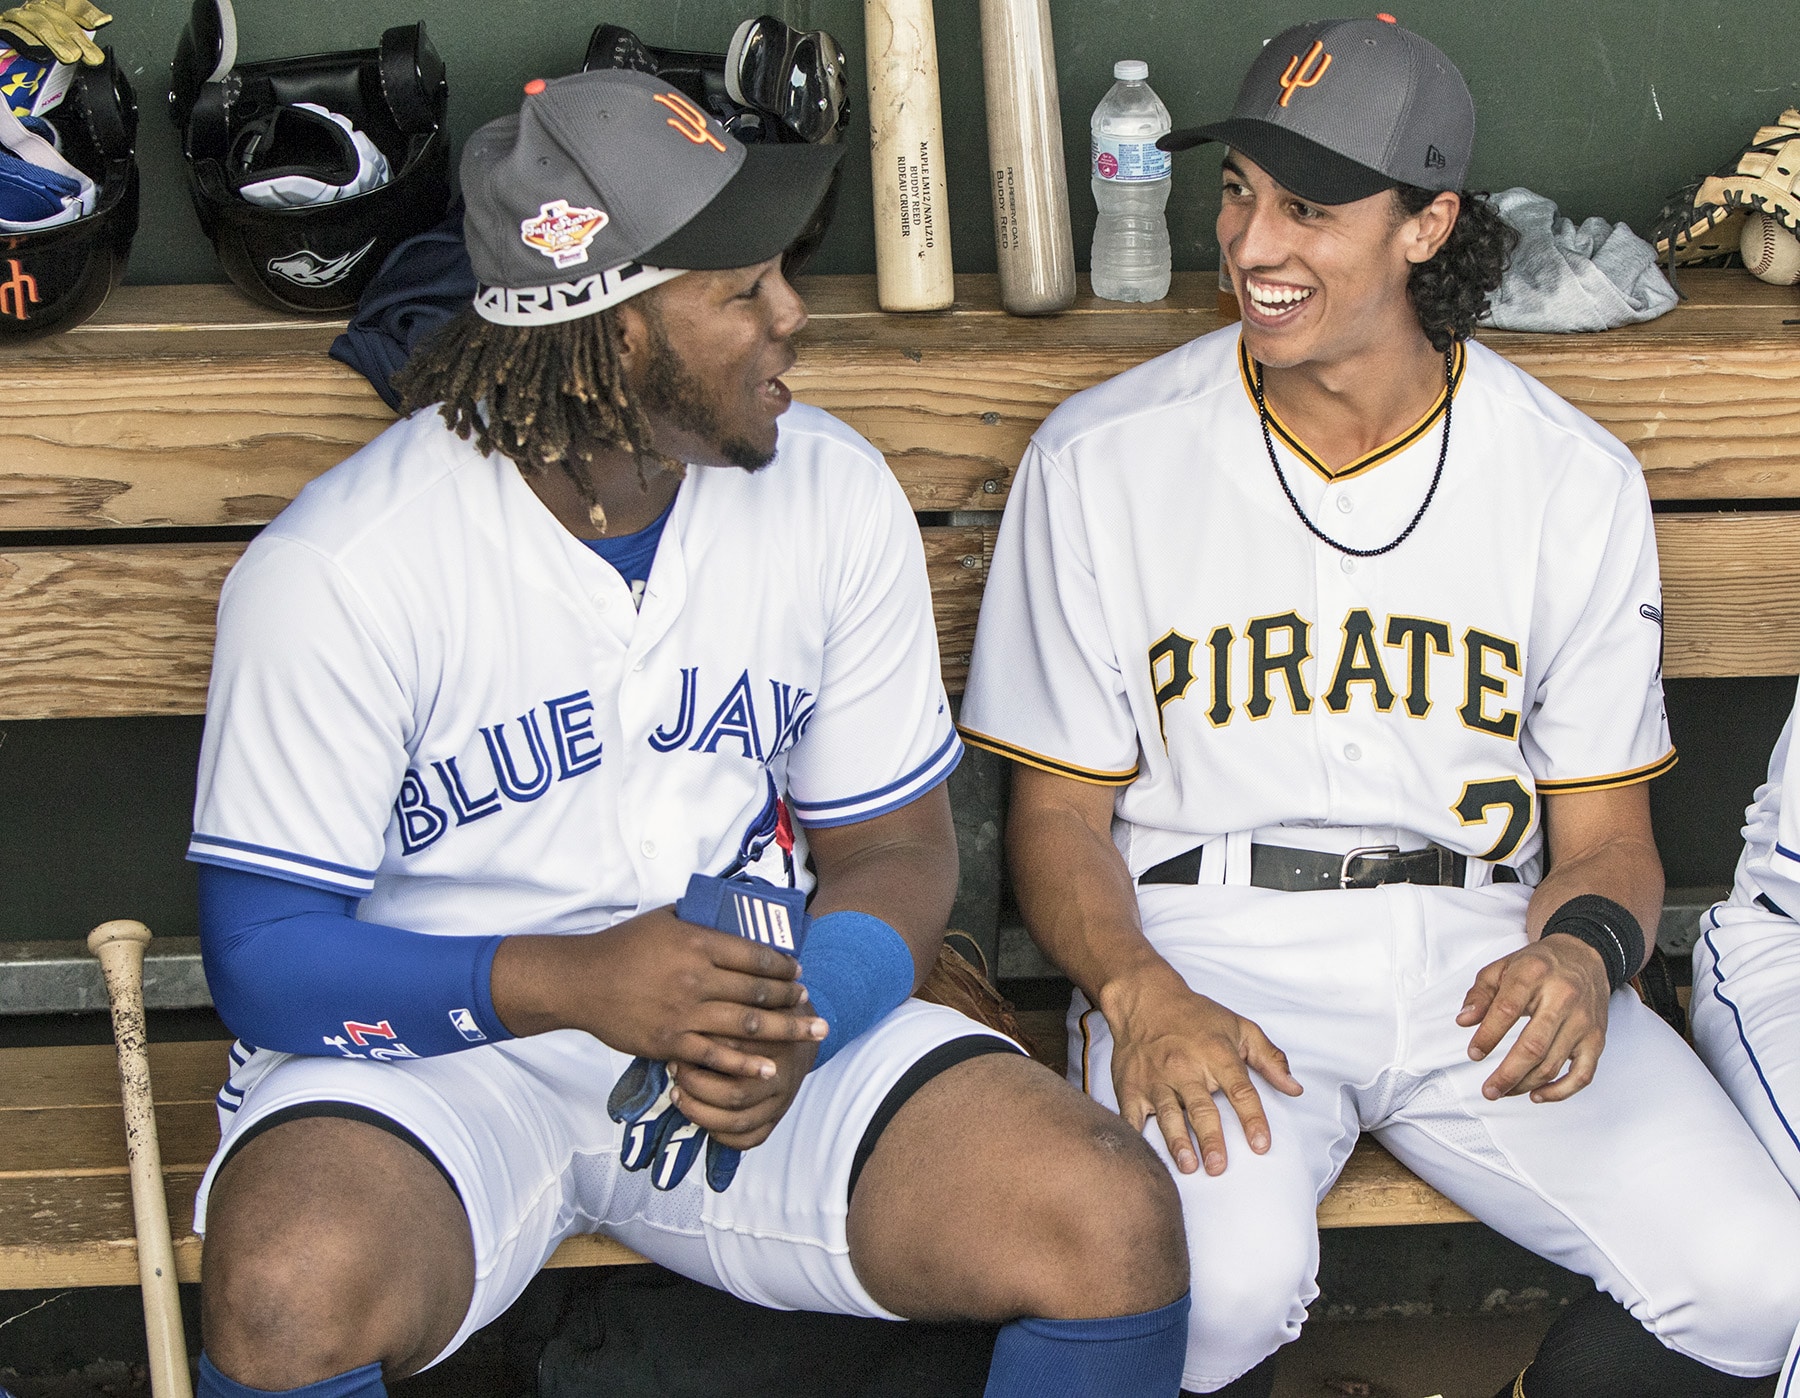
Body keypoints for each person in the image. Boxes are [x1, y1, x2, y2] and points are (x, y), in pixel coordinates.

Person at [185, 69, 1190, 1398]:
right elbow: (262, 960)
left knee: (1106, 1215)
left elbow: (893, 850)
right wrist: (573, 981)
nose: (791, 319)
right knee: (288, 1281)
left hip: (742, 1039)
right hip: (441, 1056)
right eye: (739, 289)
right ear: (607, 331)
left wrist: (812, 1015)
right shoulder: (346, 565)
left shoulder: (829, 491)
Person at [959, 17, 1800, 1398]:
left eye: (1312, 207)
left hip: (1480, 945)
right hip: (1206, 943)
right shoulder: (1103, 457)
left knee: (1764, 1279)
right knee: (1206, 1292)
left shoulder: (1563, 476)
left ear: (1428, 225)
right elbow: (1056, 820)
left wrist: (1585, 959)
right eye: (1238, 191)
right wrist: (1141, 992)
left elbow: (1604, 844)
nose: (1251, 244)